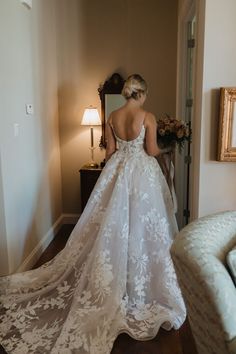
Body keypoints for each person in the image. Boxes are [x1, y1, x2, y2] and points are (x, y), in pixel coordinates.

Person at [0, 74, 186, 354]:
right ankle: (138, 282)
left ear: (126, 93)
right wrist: (168, 150)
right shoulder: (147, 115)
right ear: (143, 93)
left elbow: (110, 151)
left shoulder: (112, 115)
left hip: (116, 173)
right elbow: (150, 150)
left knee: (112, 226)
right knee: (141, 229)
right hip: (141, 177)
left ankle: (112, 277)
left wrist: (113, 176)